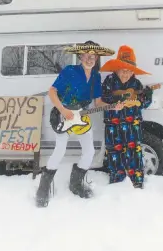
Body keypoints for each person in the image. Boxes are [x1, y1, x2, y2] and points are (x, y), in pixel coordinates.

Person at [36, 40, 120, 207]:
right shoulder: (70, 71)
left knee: (89, 152)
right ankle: (43, 187)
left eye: (93, 57)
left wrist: (114, 105)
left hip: (81, 117)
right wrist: (62, 109)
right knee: (59, 151)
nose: (90, 60)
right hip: (63, 115)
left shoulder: (96, 76)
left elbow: (97, 103)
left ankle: (75, 184)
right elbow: (52, 91)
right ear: (81, 56)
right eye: (87, 56)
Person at [100, 45, 153, 189]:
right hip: (113, 126)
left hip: (132, 126)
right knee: (114, 155)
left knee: (134, 155)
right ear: (117, 68)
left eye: (129, 71)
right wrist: (118, 100)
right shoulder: (109, 81)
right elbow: (104, 97)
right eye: (123, 70)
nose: (126, 74)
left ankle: (137, 185)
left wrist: (147, 97)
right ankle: (117, 186)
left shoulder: (136, 83)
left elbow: (143, 104)